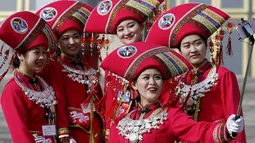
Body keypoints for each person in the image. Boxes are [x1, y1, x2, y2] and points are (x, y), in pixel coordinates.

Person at [100, 41, 244, 143]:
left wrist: (227, 130)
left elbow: (200, 131)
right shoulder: (121, 123)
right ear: (135, 85)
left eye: (157, 78)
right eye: (146, 77)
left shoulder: (171, 116)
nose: (152, 82)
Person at [146, 3, 246, 142]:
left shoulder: (223, 75)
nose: (193, 50)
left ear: (206, 45)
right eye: (187, 46)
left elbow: (235, 117)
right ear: (180, 51)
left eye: (197, 43)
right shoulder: (176, 80)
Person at [84, 0, 165, 140]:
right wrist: (108, 130)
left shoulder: (155, 56)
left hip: (150, 123)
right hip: (119, 129)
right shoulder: (113, 62)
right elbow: (110, 100)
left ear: (141, 26)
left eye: (131, 26)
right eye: (120, 29)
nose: (126, 32)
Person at [36, 1, 104, 143]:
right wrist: (63, 133)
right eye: (65, 38)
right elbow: (57, 102)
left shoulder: (87, 67)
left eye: (76, 36)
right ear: (58, 43)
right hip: (72, 132)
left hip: (96, 131)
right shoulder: (54, 67)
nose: (72, 42)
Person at [0, 11, 65, 143]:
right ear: (20, 55)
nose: (42, 57)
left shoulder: (41, 83)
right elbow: (20, 133)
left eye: (44, 52)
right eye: (36, 53)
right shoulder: (13, 89)